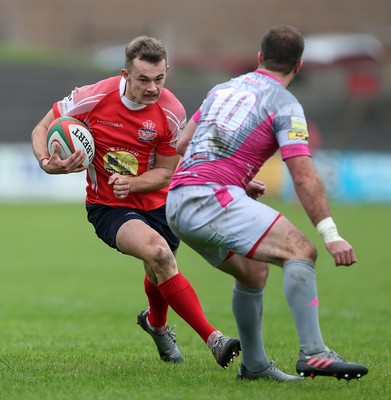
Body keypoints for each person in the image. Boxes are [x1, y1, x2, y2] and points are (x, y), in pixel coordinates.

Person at [165, 25, 369, 381]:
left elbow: (183, 143)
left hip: (178, 202)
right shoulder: (285, 103)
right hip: (211, 197)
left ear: (260, 58)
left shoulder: (223, 88)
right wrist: (331, 233)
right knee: (301, 250)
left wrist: (239, 179)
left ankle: (255, 366)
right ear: (298, 66)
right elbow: (304, 175)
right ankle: (315, 353)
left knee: (254, 271)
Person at [31, 35, 241, 369]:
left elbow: (166, 173)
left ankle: (156, 326)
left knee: (159, 268)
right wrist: (46, 161)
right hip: (108, 207)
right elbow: (43, 127)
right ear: (126, 74)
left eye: (159, 79)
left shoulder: (172, 112)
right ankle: (214, 339)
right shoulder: (93, 96)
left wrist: (133, 183)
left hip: (158, 205)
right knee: (159, 254)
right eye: (143, 79)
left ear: (167, 71)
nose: (152, 88)